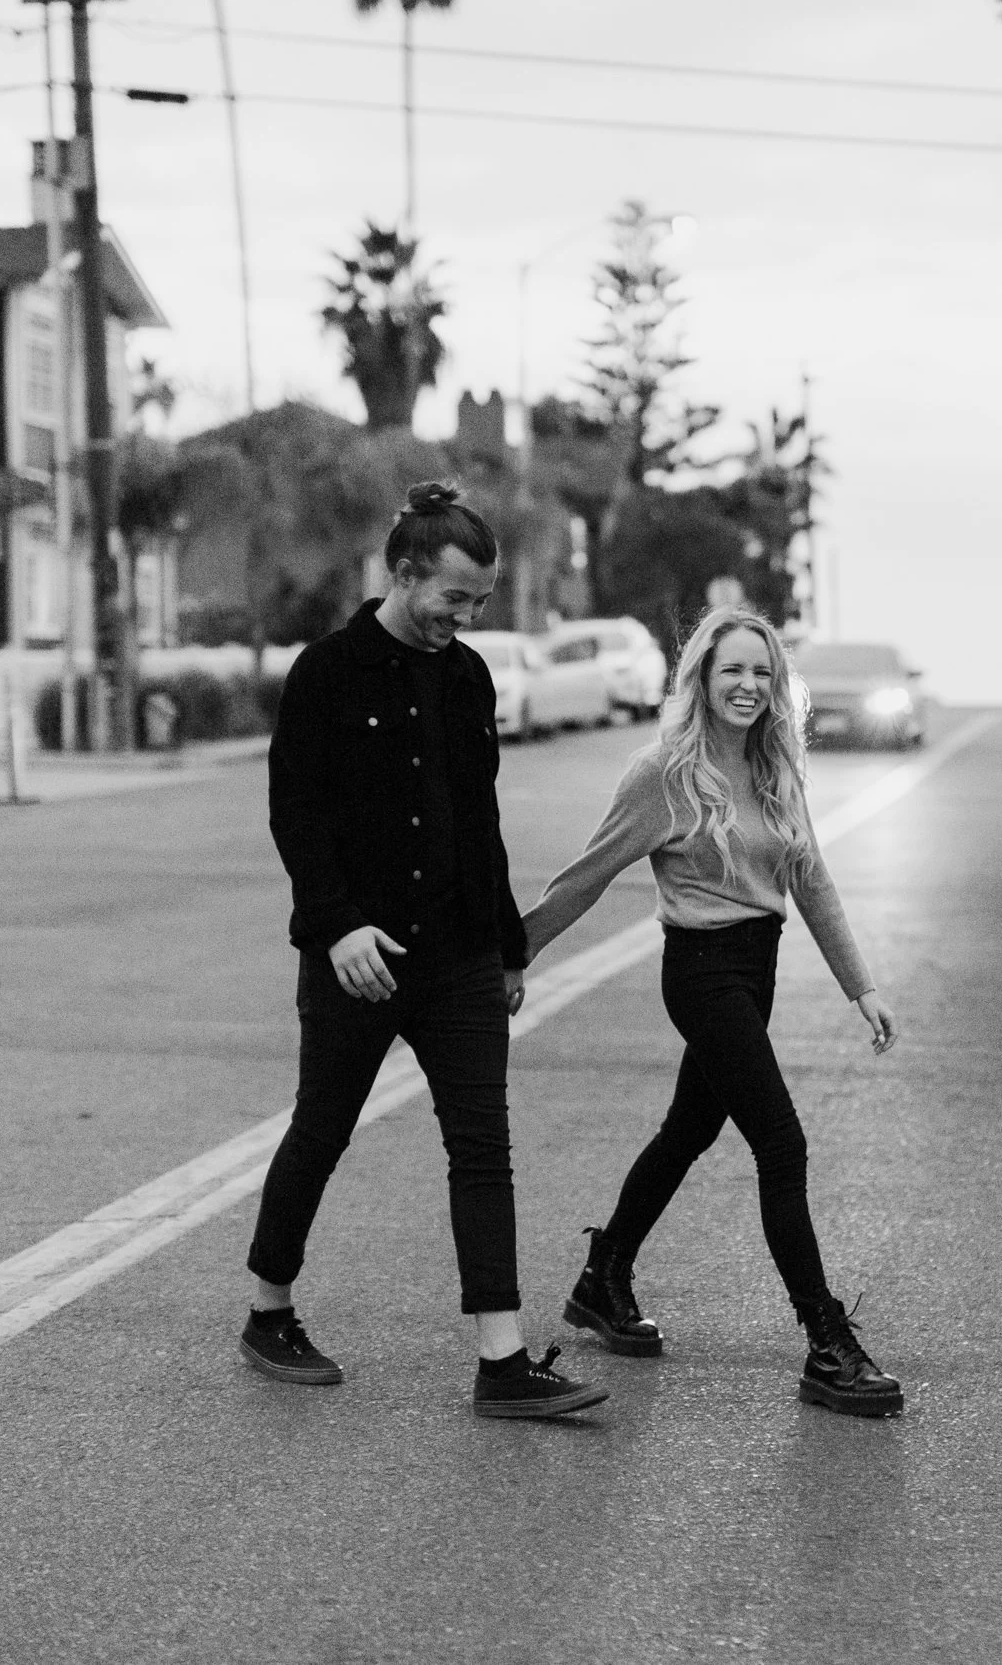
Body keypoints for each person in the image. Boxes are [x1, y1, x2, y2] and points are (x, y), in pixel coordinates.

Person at [239, 479, 605, 1420]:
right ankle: (268, 1309)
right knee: (321, 1131)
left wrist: (508, 943)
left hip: (458, 958)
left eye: (478, 601)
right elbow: (298, 817)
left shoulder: (469, 676)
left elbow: (477, 819)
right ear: (403, 574)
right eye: (454, 597)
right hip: (357, 957)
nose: (465, 616)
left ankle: (503, 1360)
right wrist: (335, 925)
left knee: (483, 1147)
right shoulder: (325, 673)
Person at [520, 605, 906, 1416]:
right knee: (781, 1141)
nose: (748, 685)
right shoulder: (664, 770)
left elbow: (812, 879)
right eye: (732, 669)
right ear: (700, 676)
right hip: (700, 972)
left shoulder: (776, 766)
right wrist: (511, 954)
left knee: (689, 1129)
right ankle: (826, 1342)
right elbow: (586, 874)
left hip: (754, 970)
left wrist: (859, 984)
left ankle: (604, 1274)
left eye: (762, 673)